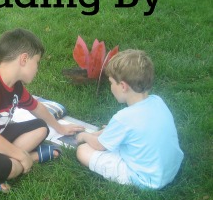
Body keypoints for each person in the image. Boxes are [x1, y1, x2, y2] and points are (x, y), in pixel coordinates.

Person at [0, 28, 83, 192]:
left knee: (41, 127)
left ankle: (12, 158)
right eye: (37, 62)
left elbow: (36, 107)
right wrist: (21, 155)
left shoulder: (15, 86)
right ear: (24, 59)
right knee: (11, 168)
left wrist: (60, 128)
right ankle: (30, 157)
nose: (37, 69)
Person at [76, 49, 184, 189]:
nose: (110, 87)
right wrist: (105, 132)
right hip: (170, 170)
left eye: (111, 82)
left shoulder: (123, 118)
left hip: (146, 179)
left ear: (122, 86)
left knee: (83, 150)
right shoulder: (157, 101)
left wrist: (84, 136)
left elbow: (98, 145)